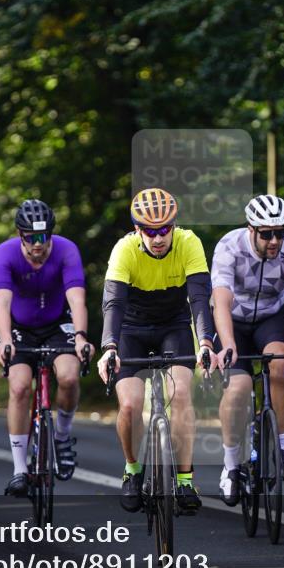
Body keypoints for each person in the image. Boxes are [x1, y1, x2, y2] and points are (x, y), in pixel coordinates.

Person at [97, 187, 215, 515]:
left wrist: (206, 342)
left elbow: (200, 298)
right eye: (150, 231)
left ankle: (185, 479)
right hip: (131, 328)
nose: (158, 237)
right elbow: (114, 303)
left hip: (173, 326)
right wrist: (109, 347)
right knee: (132, 404)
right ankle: (132, 470)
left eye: (165, 229)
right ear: (138, 230)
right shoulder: (124, 250)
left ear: (174, 226)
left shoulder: (189, 243)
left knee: (181, 397)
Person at [211, 195, 284, 506]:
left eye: (280, 232)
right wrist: (227, 342)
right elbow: (221, 298)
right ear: (251, 229)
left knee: (281, 365)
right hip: (233, 320)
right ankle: (231, 466)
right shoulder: (229, 246)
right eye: (267, 233)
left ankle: (281, 446)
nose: (275, 240)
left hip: (270, 317)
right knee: (238, 386)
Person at [0, 199, 94, 497]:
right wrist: (6, 340)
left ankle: (61, 437)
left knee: (69, 376)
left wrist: (80, 336)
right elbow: (1, 304)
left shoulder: (66, 250)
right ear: (20, 234)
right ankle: (18, 469)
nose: (38, 244)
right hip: (19, 328)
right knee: (20, 386)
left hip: (56, 324)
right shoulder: (5, 254)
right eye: (31, 238)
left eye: (44, 236)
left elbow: (76, 299)